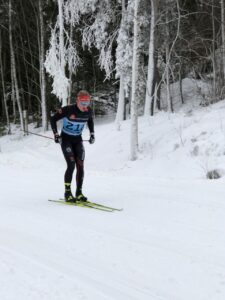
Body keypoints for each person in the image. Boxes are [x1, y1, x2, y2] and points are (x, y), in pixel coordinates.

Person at [50, 90, 95, 202]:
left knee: (80, 165)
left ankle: (79, 193)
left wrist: (92, 134)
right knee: (71, 164)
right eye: (82, 102)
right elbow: (53, 119)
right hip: (65, 139)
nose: (85, 105)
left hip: (78, 139)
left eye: (87, 102)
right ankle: (67, 193)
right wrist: (56, 134)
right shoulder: (68, 109)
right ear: (77, 101)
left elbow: (90, 120)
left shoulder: (88, 111)